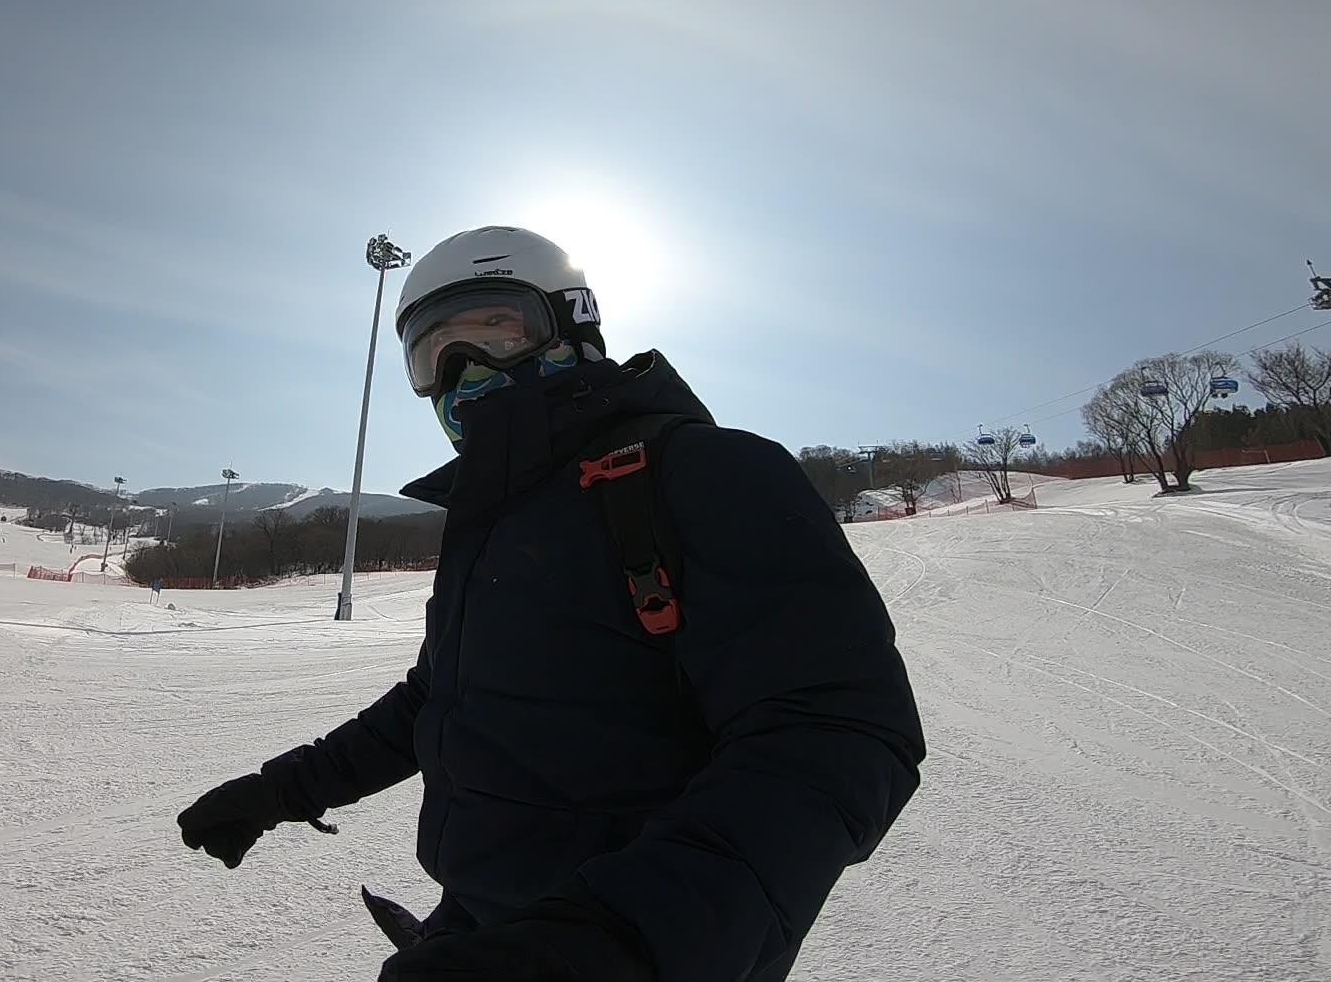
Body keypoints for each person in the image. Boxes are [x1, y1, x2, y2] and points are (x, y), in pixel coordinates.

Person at [177, 227, 926, 981]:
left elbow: (841, 731)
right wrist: (279, 790)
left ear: (572, 326)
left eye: (493, 331)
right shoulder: (493, 523)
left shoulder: (706, 471)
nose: (462, 371)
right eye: (432, 353)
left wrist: (615, 942)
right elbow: (436, 700)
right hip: (481, 923)